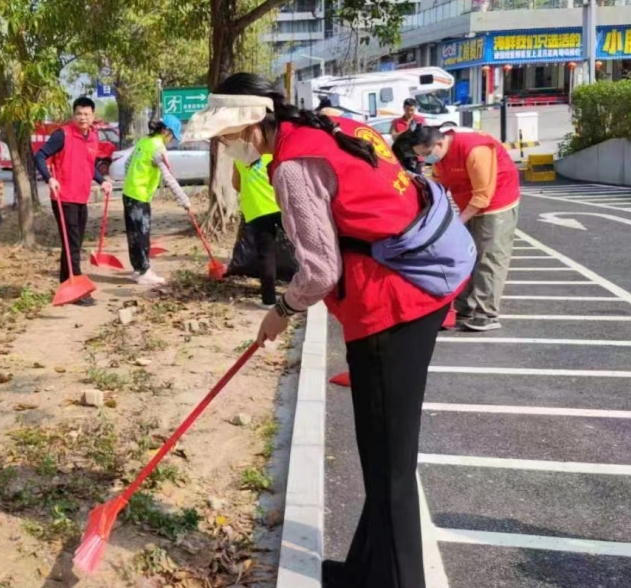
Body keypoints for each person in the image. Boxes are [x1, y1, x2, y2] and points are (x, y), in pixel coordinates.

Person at [183, 73, 468, 588]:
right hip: (412, 285)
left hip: (393, 304)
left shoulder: (291, 166)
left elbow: (319, 271)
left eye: (226, 137)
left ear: (250, 127)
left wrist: (282, 312)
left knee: (390, 471)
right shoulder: (327, 125)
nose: (225, 147)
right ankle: (365, 574)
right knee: (382, 460)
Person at [406, 125, 520, 332]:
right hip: (467, 202)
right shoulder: (440, 155)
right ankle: (462, 309)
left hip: (497, 203)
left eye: (426, 154)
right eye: (420, 156)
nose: (425, 159)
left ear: (439, 144)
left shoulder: (475, 149)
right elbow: (439, 185)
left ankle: (487, 314)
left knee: (489, 258)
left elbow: (483, 195)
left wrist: (458, 221)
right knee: (464, 256)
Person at [33, 96, 114, 305]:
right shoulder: (63, 135)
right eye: (79, 113)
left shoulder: (93, 137)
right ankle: (76, 289)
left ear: (93, 116)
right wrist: (49, 178)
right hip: (63, 197)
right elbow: (39, 156)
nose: (82, 117)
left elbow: (89, 166)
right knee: (73, 243)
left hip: (81, 197)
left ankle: (66, 284)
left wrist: (101, 180)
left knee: (72, 243)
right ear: (73, 114)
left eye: (86, 114)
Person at [121, 115, 191, 286]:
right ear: (166, 131)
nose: (171, 140)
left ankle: (138, 269)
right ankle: (144, 271)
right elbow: (168, 177)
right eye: (172, 136)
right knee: (142, 234)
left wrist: (133, 180)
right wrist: (184, 200)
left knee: (133, 234)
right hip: (140, 196)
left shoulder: (144, 142)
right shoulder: (158, 148)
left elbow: (127, 164)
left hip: (128, 193)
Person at [231, 151, 282, 307]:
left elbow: (236, 184)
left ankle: (269, 300)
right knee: (300, 246)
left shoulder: (239, 155)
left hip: (257, 209)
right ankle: (310, 289)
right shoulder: (272, 151)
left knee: (266, 254)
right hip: (280, 205)